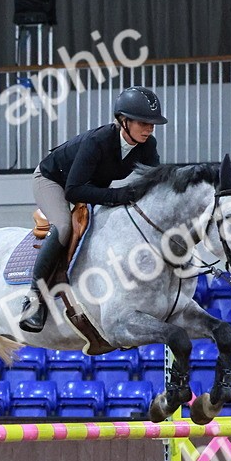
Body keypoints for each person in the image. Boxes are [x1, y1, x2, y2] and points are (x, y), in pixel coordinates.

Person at [20, 86, 168, 333]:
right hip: (53, 180)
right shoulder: (98, 141)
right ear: (124, 121)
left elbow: (156, 184)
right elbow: (73, 190)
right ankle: (34, 299)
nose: (149, 128)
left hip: (89, 186)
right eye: (143, 122)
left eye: (152, 123)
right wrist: (117, 195)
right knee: (64, 226)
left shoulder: (147, 146)